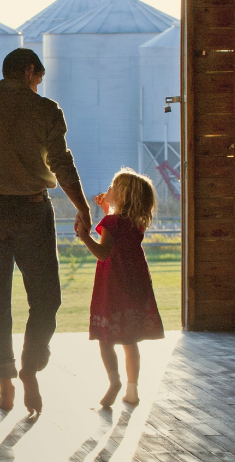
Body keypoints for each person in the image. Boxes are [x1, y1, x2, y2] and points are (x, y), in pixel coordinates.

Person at [0, 48, 92, 417]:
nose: (39, 87)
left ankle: (6, 385)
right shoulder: (46, 110)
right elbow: (61, 162)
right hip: (31, 209)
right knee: (46, 298)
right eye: (38, 79)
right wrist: (82, 206)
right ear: (29, 71)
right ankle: (30, 366)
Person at [74, 167, 165, 407]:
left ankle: (114, 381)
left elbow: (103, 253)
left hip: (113, 284)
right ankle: (132, 390)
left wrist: (84, 236)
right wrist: (106, 210)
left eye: (113, 187)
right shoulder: (134, 223)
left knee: (106, 339)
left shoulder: (111, 222)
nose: (108, 189)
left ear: (122, 196)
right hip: (135, 284)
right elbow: (120, 233)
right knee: (130, 339)